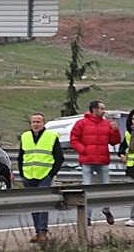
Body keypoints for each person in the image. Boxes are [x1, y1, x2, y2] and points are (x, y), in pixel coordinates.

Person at [69, 99, 120, 226]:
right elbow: (74, 139)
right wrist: (83, 150)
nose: (104, 111)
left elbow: (114, 141)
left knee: (105, 188)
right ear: (94, 109)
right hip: (87, 160)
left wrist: (115, 130)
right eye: (101, 108)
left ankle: (106, 209)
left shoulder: (107, 124)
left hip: (102, 160)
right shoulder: (81, 123)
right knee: (87, 188)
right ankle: (87, 217)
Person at [18, 112, 64, 243]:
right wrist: (22, 173)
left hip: (44, 175)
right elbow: (21, 156)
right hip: (29, 175)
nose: (36, 124)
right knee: (33, 204)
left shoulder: (51, 136)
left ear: (43, 123)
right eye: (33, 122)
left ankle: (43, 231)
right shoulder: (25, 136)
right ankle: (37, 232)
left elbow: (59, 158)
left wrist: (51, 174)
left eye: (38, 122)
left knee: (43, 203)